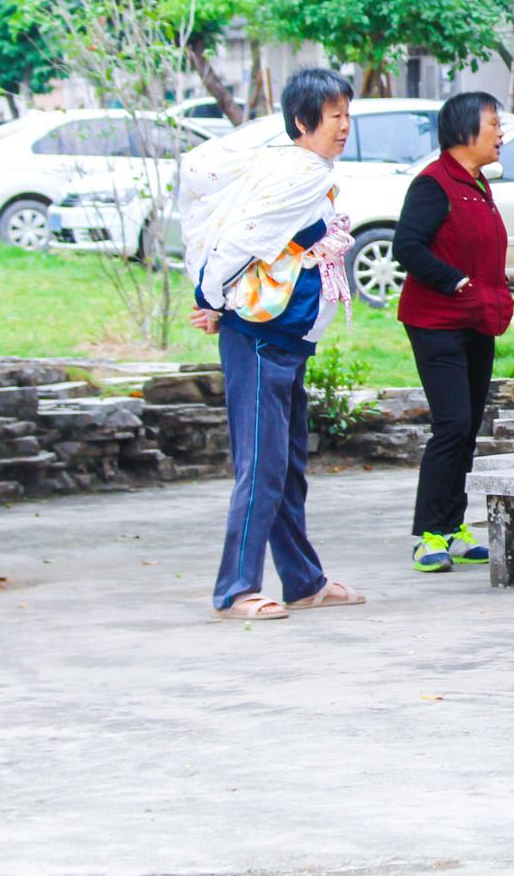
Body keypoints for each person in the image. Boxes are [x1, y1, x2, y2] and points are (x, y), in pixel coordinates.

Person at [178, 67, 367, 621]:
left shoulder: (307, 170)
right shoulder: (298, 174)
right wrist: (211, 299)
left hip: (284, 338)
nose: (344, 127)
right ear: (302, 122)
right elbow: (241, 239)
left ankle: (304, 581)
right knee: (261, 463)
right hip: (259, 338)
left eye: (347, 115)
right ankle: (236, 590)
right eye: (334, 117)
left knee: (285, 465)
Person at [394, 92, 514, 573]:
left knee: (467, 429)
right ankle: (428, 534)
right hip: (436, 323)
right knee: (451, 425)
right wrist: (453, 279)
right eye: (493, 124)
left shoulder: (477, 182)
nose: (500, 133)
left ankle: (453, 527)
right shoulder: (434, 184)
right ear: (465, 130)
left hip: (476, 321)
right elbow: (407, 245)